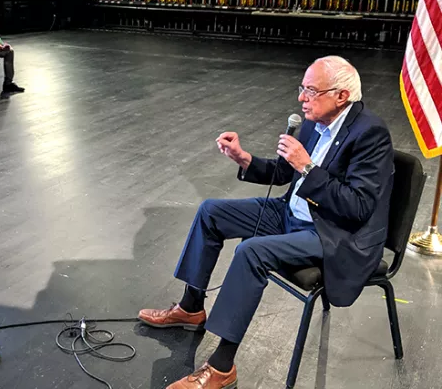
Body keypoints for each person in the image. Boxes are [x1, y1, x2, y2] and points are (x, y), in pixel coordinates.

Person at [138, 56, 394, 389]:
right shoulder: (319, 120)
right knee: (211, 211)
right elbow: (285, 172)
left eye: (310, 91)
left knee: (251, 252)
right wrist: (245, 159)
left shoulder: (370, 133)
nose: (301, 98)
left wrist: (307, 168)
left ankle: (221, 367)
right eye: (302, 88)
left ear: (341, 96)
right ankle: (190, 307)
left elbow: (357, 207)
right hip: (294, 213)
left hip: (333, 233)